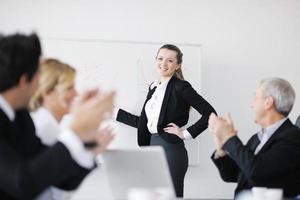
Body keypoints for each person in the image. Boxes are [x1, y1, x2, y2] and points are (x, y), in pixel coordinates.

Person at [0, 33, 115, 199]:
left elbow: (60, 179)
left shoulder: (20, 116)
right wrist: (75, 132)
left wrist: (89, 147)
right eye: (39, 76)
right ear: (24, 80)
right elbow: (22, 183)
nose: (40, 84)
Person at [115, 44, 216, 197]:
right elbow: (144, 123)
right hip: (151, 148)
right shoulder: (154, 88)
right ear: (155, 60)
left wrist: (185, 133)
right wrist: (115, 113)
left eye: (170, 60)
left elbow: (210, 113)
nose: (163, 63)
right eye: (160, 58)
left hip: (170, 148)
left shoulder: (181, 87)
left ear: (177, 65)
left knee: (171, 196)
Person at [209, 77, 300, 198]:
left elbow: (258, 172)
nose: (251, 104)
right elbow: (233, 174)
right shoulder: (256, 138)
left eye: (255, 98)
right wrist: (221, 149)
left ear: (268, 102)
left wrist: (229, 137)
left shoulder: (292, 137)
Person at [29, 58, 78, 200]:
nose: (76, 94)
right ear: (47, 92)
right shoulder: (45, 130)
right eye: (69, 88)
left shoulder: (46, 126)